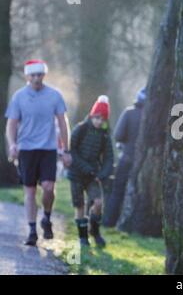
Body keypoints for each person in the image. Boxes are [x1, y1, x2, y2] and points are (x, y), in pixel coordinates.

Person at [5, 59, 72, 246]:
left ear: (44, 75)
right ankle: (32, 230)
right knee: (30, 191)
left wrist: (66, 149)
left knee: (49, 188)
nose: (36, 78)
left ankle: (46, 218)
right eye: (33, 75)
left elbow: (62, 123)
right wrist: (12, 144)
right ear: (28, 76)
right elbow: (11, 124)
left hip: (48, 148)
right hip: (26, 149)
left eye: (39, 75)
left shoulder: (54, 96)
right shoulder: (19, 97)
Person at [68, 95, 114, 247]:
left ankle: (95, 230)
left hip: (93, 176)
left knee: (98, 203)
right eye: (97, 118)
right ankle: (82, 237)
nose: (99, 121)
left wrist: (103, 173)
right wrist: (84, 167)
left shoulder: (105, 135)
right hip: (77, 174)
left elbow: (108, 157)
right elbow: (72, 150)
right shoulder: (80, 129)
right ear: (92, 115)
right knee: (79, 205)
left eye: (102, 119)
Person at [103, 88, 146, 227]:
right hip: (146, 162)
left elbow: (118, 135)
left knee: (117, 191)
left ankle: (109, 222)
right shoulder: (156, 117)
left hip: (127, 158)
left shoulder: (129, 113)